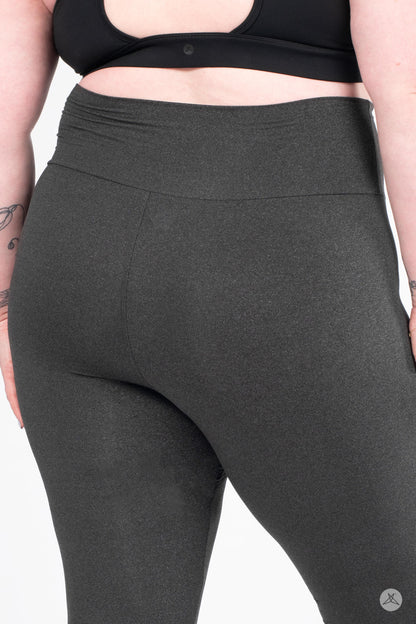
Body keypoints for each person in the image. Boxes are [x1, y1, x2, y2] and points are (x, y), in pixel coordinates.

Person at [1, 0, 415, 622]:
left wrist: (4, 314)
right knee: (395, 593)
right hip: (282, 272)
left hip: (73, 272)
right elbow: (408, 103)